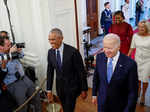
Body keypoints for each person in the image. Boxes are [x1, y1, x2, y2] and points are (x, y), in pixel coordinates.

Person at [92, 33, 138, 112]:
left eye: (110, 48)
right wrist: (94, 94)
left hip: (120, 106)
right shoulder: (100, 57)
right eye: (104, 47)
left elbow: (133, 92)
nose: (106, 51)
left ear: (119, 47)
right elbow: (96, 78)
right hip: (102, 103)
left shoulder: (130, 64)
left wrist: (128, 110)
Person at [47, 28, 88, 112]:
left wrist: (84, 89)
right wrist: (49, 90)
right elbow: (50, 72)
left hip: (72, 88)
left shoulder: (73, 52)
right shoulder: (50, 52)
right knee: (64, 106)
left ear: (61, 38)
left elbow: (81, 72)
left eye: (53, 39)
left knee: (69, 109)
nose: (51, 42)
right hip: (60, 88)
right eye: (49, 39)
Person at [0, 37, 41, 112]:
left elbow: (21, 56)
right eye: (8, 45)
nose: (11, 46)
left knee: (36, 97)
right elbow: (8, 70)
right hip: (14, 84)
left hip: (24, 78)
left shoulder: (10, 50)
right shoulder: (1, 57)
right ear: (1, 47)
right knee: (23, 105)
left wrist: (19, 51)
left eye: (10, 44)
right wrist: (10, 54)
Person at [128, 20, 150, 105]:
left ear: (147, 28)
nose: (140, 29)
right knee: (137, 78)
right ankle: (138, 91)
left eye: (142, 27)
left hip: (148, 60)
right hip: (138, 60)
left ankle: (143, 95)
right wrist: (127, 57)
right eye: (139, 27)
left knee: (144, 78)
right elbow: (132, 48)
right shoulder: (135, 36)